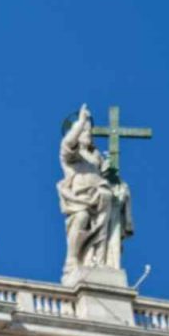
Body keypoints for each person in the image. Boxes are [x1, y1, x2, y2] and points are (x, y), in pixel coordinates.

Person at [56, 104, 132, 283]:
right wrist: (81, 122)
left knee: (104, 232)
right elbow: (67, 144)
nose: (88, 133)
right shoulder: (71, 156)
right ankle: (72, 259)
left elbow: (108, 177)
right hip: (80, 199)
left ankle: (97, 260)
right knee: (81, 217)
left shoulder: (97, 158)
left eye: (90, 131)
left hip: (101, 200)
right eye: (84, 131)